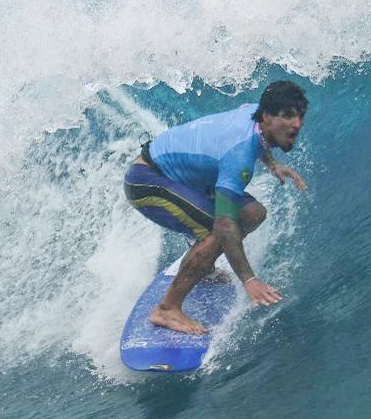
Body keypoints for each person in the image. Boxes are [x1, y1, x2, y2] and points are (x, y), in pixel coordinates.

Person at [123, 80, 309, 334]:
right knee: (218, 233)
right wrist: (249, 280)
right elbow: (224, 224)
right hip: (147, 181)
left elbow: (260, 138)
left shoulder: (254, 113)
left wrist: (272, 164)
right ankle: (167, 309)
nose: (296, 124)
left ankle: (203, 265)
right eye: (288, 116)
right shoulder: (239, 155)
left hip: (182, 179)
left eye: (300, 116)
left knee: (253, 213)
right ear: (267, 115)